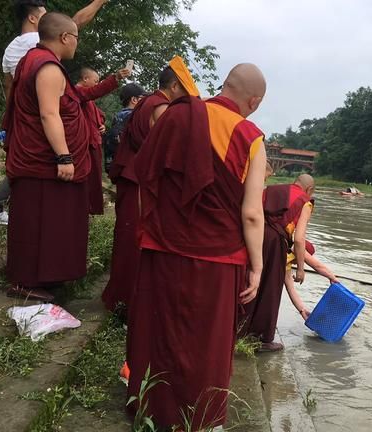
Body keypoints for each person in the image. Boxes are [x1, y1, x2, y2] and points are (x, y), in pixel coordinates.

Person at [126, 63, 267, 430]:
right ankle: (200, 418)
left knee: (161, 329)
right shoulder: (249, 135)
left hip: (164, 245)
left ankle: (152, 406)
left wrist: (150, 232)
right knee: (207, 342)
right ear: (253, 100)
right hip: (218, 256)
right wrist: (258, 264)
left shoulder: (177, 116)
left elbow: (147, 180)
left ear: (224, 86)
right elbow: (252, 213)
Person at [2, 12, 126, 302]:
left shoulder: (41, 63)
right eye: (76, 38)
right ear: (65, 38)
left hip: (41, 163)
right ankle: (26, 282)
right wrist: (63, 156)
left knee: (48, 222)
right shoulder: (46, 67)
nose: (76, 44)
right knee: (38, 223)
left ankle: (45, 277)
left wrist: (113, 79)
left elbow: (77, 98)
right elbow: (49, 113)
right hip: (43, 163)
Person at [0, 0, 109, 226]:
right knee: (46, 203)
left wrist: (16, 119)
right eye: (44, 15)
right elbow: (72, 24)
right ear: (33, 19)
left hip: (27, 121)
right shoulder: (39, 44)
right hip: (46, 132)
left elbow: (11, 89)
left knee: (22, 175)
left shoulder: (11, 51)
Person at [102, 63, 191, 311]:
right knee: (135, 238)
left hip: (131, 177)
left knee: (127, 236)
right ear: (174, 86)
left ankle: (122, 295)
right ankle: (129, 298)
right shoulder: (160, 107)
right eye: (183, 90)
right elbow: (167, 150)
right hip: (140, 181)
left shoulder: (147, 101)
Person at [238, 174, 315, 352]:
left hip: (253, 232)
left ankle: (235, 330)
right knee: (270, 289)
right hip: (274, 241)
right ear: (309, 189)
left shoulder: (271, 190)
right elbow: (299, 239)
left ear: (294, 181)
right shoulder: (305, 201)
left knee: (248, 278)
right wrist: (301, 269)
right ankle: (261, 339)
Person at [76, 67, 119, 215]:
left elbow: (98, 114)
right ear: (85, 79)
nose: (97, 84)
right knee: (88, 179)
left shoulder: (88, 99)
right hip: (84, 144)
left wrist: (100, 124)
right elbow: (94, 93)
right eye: (95, 81)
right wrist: (115, 78)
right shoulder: (78, 92)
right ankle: (85, 207)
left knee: (95, 179)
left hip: (94, 141)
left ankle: (90, 208)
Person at [283, 241, 338, 321]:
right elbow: (317, 265)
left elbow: (290, 289)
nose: (296, 263)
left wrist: (302, 310)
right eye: (304, 260)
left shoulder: (287, 265)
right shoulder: (294, 248)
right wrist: (332, 277)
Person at [103, 83, 146, 174]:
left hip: (115, 163)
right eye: (143, 99)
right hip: (128, 166)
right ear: (134, 100)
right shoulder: (133, 117)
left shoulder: (118, 116)